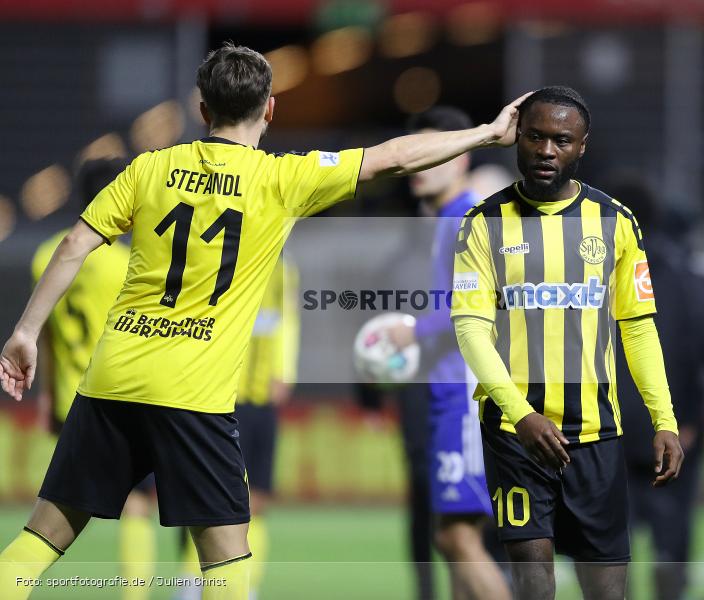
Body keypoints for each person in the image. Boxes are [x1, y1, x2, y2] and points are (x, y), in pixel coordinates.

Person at [0, 42, 530, 600]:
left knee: (42, 537)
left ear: (202, 110)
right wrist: (487, 134)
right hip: (192, 394)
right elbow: (392, 156)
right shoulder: (281, 180)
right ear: (271, 108)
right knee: (228, 561)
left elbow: (75, 244)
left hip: (113, 378)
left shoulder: (150, 167)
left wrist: (25, 333)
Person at [450, 86, 684, 600]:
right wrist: (520, 414)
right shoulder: (482, 224)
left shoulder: (616, 222)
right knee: (534, 585)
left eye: (561, 140)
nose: (546, 151)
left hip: (597, 435)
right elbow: (470, 329)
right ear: (518, 138)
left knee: (606, 591)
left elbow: (638, 328)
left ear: (582, 146)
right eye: (535, 137)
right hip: (516, 436)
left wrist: (664, 419)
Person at [604, 174, 704, 600]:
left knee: (612, 536)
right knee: (672, 532)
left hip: (604, 426)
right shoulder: (695, 277)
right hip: (675, 425)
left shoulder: (589, 277)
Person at [387, 106, 511, 600]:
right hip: (452, 391)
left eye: (433, 155)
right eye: (416, 156)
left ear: (461, 158)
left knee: (455, 536)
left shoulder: (462, 216)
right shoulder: (446, 219)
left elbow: (482, 303)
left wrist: (413, 331)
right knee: (460, 534)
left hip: (463, 394)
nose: (420, 166)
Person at [32, 159, 159, 600]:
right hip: (121, 397)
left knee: (54, 519)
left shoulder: (45, 254)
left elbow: (45, 336)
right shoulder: (126, 263)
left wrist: (47, 396)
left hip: (70, 398)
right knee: (139, 505)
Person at [176, 257, 299, 600]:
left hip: (261, 398)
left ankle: (247, 587)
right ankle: (190, 586)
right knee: (213, 500)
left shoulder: (284, 269)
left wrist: (285, 371)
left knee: (256, 500)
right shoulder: (222, 258)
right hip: (222, 396)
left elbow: (288, 322)